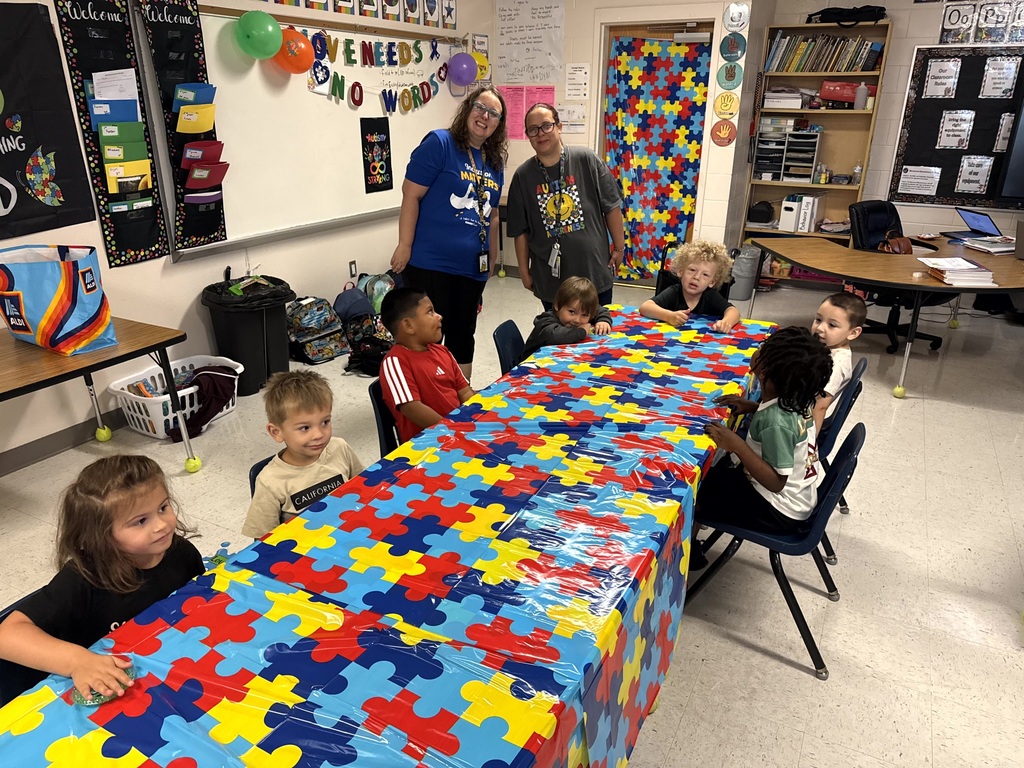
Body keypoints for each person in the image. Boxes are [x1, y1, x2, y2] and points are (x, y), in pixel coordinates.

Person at [0, 455, 203, 703]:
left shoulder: (180, 552)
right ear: (102, 535)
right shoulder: (83, 579)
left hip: (178, 673)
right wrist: (78, 661)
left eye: (163, 508)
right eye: (140, 521)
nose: (161, 525)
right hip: (114, 694)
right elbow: (6, 636)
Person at [390, 84, 508, 383]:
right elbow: (411, 195)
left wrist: (493, 257)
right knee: (426, 336)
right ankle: (419, 394)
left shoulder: (494, 162)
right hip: (431, 263)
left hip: (471, 267)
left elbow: (492, 215)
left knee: (462, 332)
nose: (485, 116)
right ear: (468, 109)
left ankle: (457, 397)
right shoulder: (440, 143)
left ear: (498, 124)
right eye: (480, 107)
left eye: (493, 113)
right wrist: (404, 244)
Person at [690, 326, 833, 569]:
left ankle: (688, 554)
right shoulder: (798, 398)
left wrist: (737, 446)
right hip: (797, 500)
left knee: (694, 491)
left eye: (762, 349)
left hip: (778, 510)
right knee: (714, 474)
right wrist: (753, 407)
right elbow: (785, 428)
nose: (757, 350)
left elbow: (776, 481)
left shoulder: (776, 421)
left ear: (764, 370)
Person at [506, 103, 626, 310]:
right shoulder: (523, 176)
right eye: (533, 130)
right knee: (558, 337)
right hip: (552, 280)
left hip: (594, 272)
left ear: (559, 127)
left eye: (546, 126)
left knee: (598, 332)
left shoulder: (586, 160)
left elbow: (612, 207)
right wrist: (524, 272)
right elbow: (520, 231)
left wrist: (619, 247)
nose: (540, 134)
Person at [242, 370, 365, 539]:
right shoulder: (270, 482)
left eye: (325, 422)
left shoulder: (340, 447)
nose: (318, 434)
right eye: (305, 428)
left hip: (351, 535)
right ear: (276, 432)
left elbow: (364, 489)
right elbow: (264, 543)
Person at [378, 287, 475, 443]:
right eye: (430, 312)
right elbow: (412, 408)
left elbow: (464, 392)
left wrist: (479, 414)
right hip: (427, 447)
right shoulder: (395, 362)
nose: (439, 317)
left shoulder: (442, 351)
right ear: (408, 325)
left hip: (457, 433)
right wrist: (451, 431)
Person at [639, 240, 741, 331]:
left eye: (705, 275)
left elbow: (733, 311)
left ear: (712, 282)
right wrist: (668, 316)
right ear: (680, 271)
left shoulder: (710, 296)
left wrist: (726, 323)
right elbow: (645, 307)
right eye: (692, 270)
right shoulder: (674, 292)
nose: (696, 277)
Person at [810, 292, 866, 435]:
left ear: (853, 333)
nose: (820, 328)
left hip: (799, 421)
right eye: (818, 319)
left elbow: (820, 406)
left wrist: (809, 445)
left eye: (832, 325)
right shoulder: (829, 348)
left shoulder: (836, 364)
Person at [521, 276, 613, 359]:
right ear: (557, 305)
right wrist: (582, 332)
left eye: (584, 315)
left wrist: (603, 320)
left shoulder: (580, 313)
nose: (577, 320)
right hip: (531, 367)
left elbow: (598, 309)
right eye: (572, 312)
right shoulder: (545, 321)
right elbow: (555, 335)